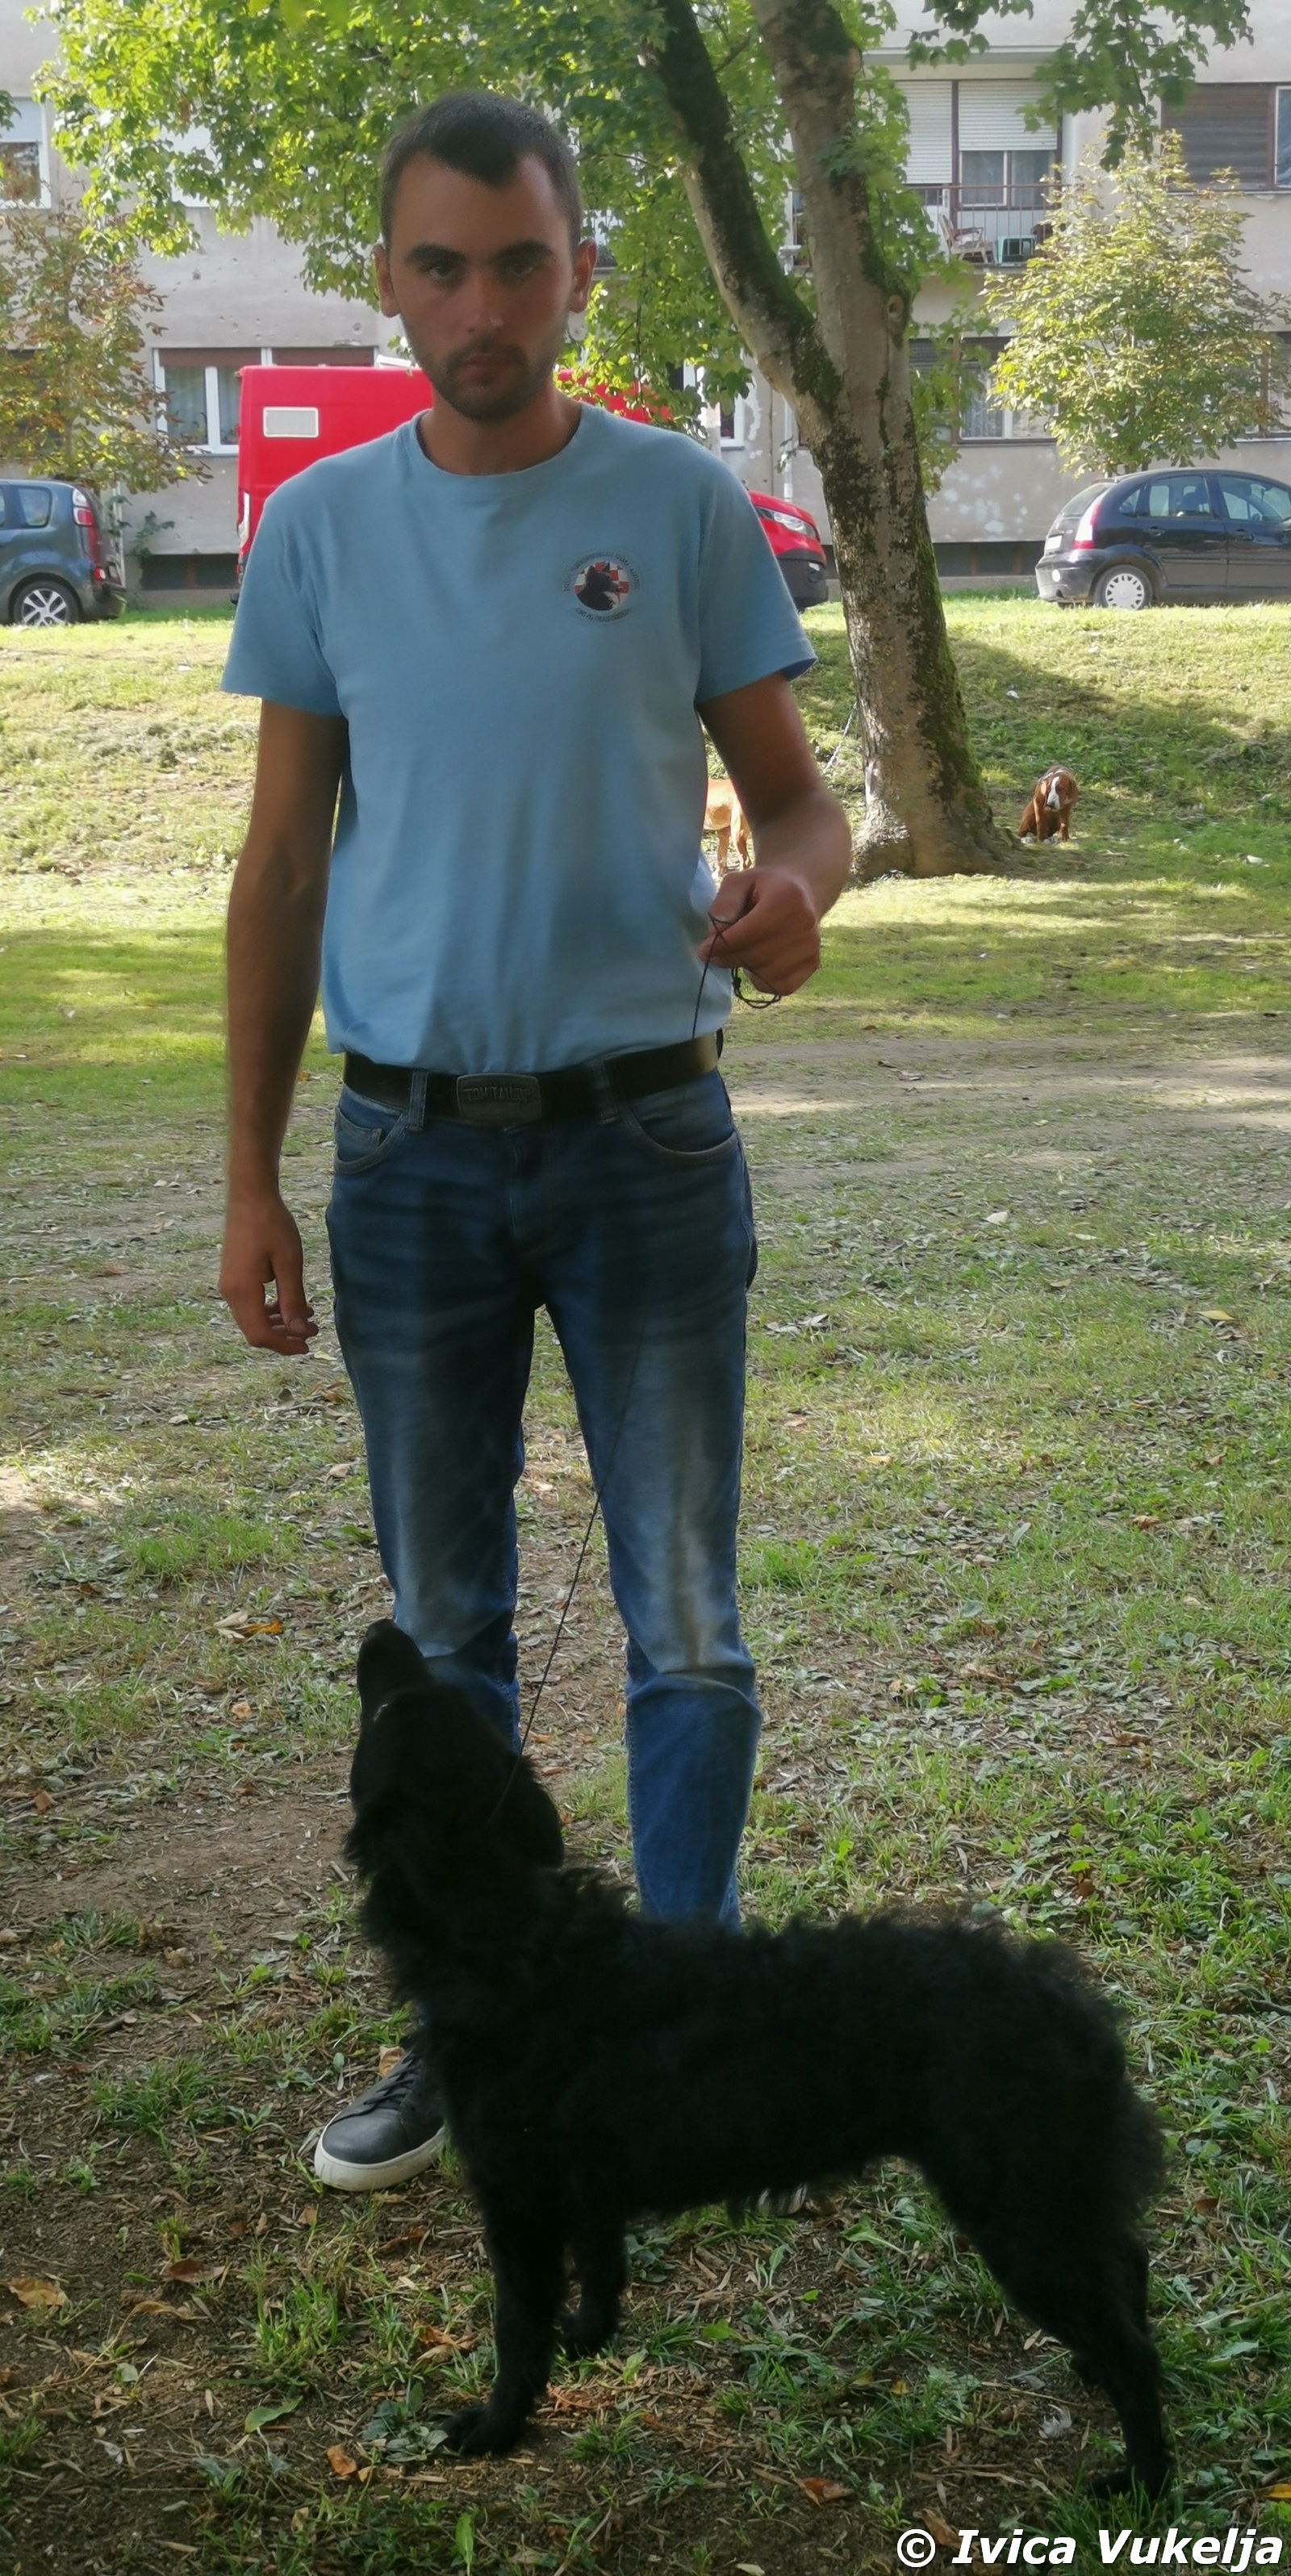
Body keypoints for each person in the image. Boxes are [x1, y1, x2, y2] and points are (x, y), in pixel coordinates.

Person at [219, 90, 851, 2193]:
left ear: (578, 270)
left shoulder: (680, 506)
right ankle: (479, 2037)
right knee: (446, 1639)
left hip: (643, 1140)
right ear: (389, 281)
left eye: (518, 263)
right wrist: (250, 1174)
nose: (481, 307)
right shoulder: (321, 531)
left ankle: (687, 2041)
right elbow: (281, 867)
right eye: (440, 266)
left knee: (691, 1625)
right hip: (407, 1162)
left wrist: (798, 892)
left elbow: (805, 799)